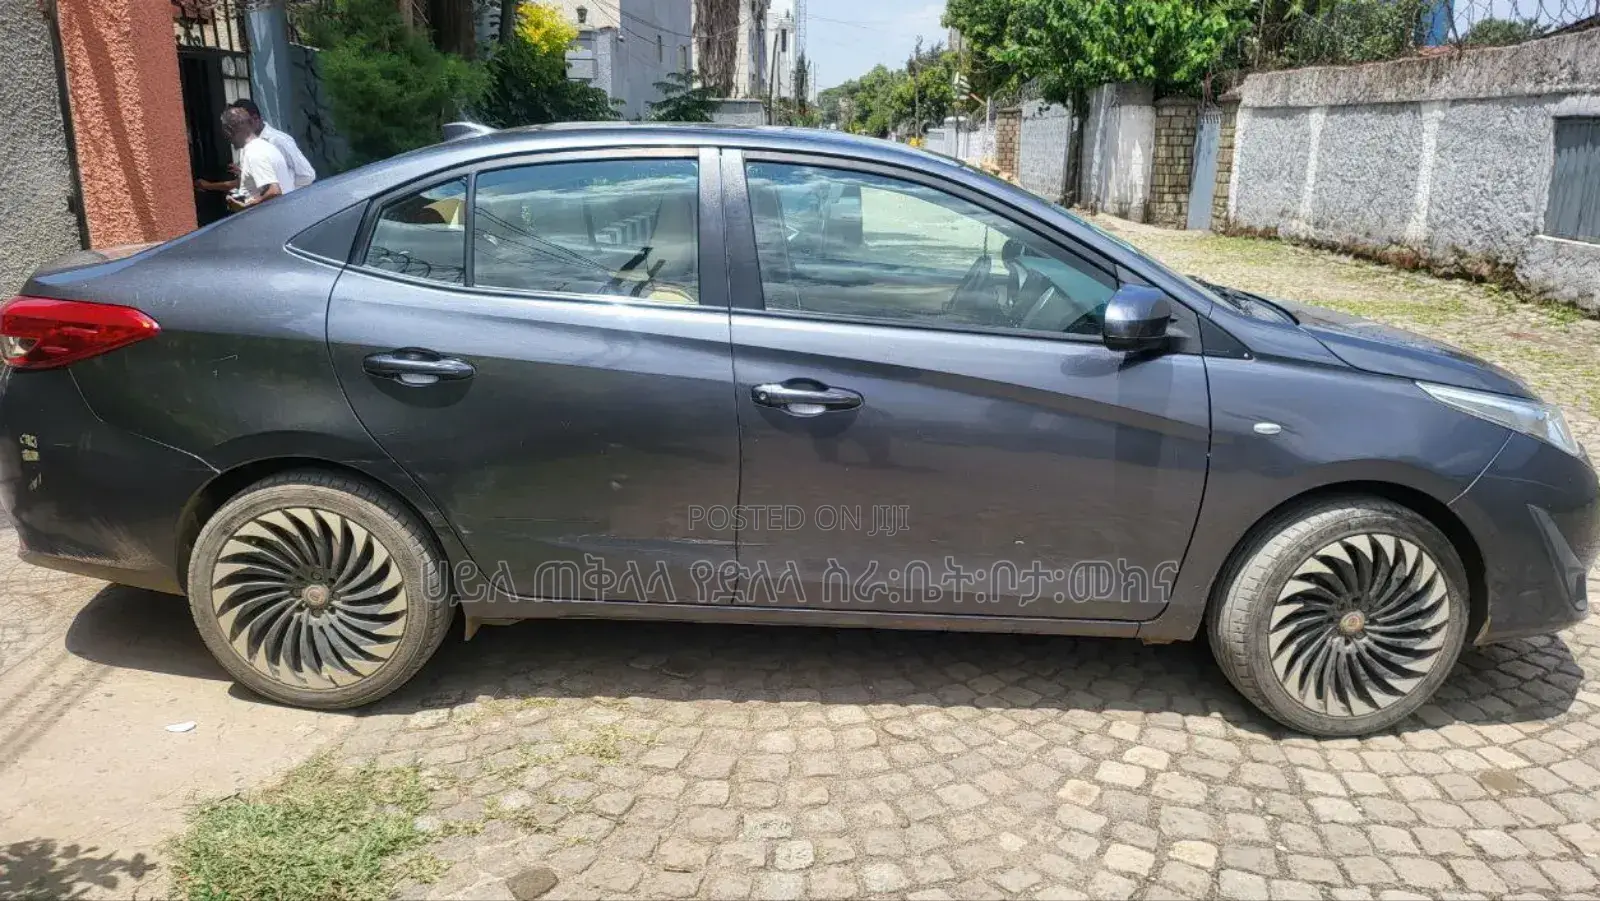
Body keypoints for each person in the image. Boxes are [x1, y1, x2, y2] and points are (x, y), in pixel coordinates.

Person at [195, 98, 316, 196]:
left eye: (241, 122)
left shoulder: (277, 140)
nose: (239, 127)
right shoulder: (248, 145)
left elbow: (307, 175)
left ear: (255, 119)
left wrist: (287, 192)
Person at [218, 106, 293, 211]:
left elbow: (274, 191)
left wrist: (244, 207)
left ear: (229, 130)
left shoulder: (254, 153)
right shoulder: (266, 146)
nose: (227, 139)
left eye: (225, 133)